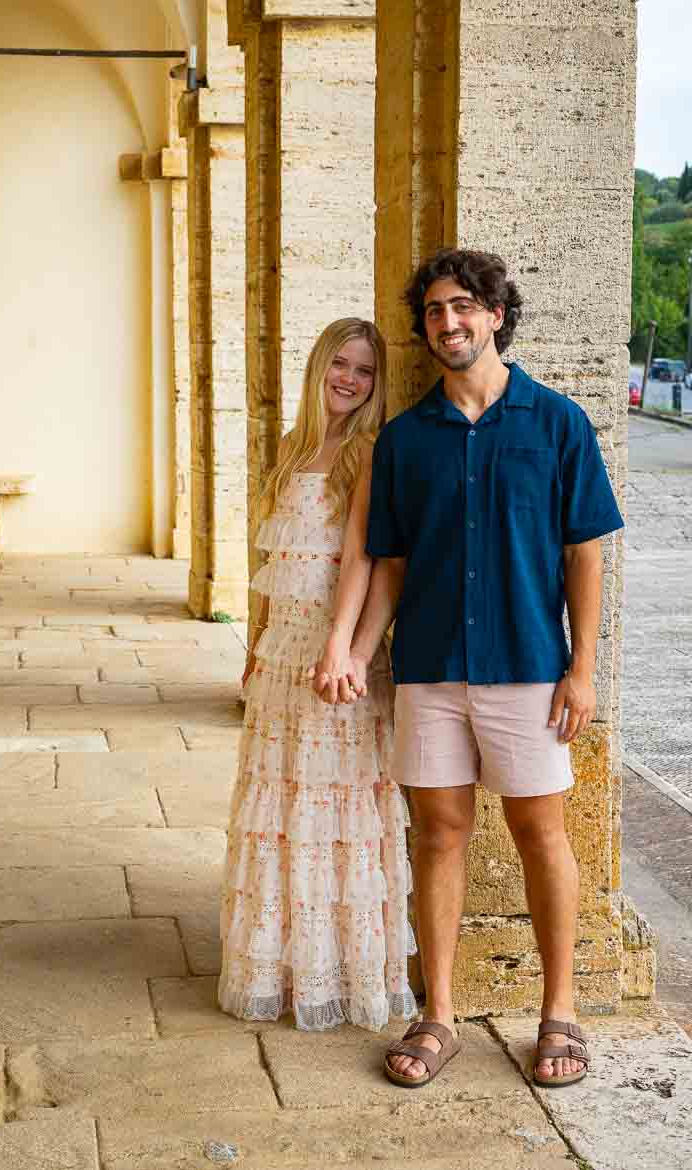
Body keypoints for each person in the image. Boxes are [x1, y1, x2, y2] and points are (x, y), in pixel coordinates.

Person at [313, 249, 623, 1088]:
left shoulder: (558, 423)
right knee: (438, 835)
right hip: (431, 670)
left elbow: (584, 553)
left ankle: (560, 1011)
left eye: (463, 308)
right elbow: (390, 563)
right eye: (434, 312)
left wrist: (582, 668)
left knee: (542, 835)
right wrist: (352, 648)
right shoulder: (407, 441)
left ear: (495, 315)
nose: (448, 323)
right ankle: (439, 1015)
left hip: (529, 667)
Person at [218, 317, 417, 1032]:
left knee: (340, 818)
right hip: (284, 653)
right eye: (341, 363)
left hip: (339, 657)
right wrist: (257, 642)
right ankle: (288, 968)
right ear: (318, 365)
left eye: (365, 371)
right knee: (281, 814)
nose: (351, 380)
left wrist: (354, 652)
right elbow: (275, 564)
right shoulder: (294, 447)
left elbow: (380, 566)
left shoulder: (370, 451)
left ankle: (348, 974)